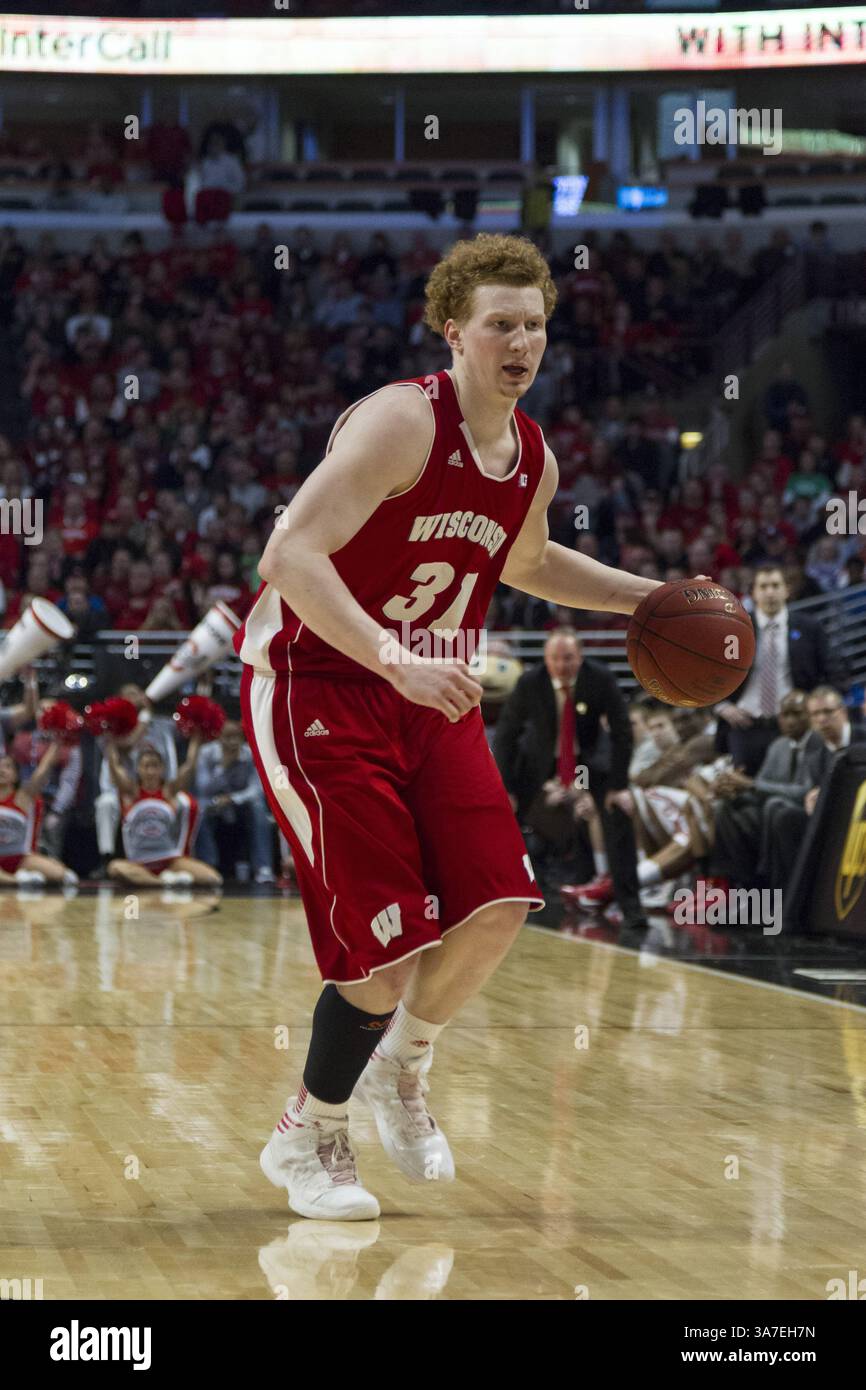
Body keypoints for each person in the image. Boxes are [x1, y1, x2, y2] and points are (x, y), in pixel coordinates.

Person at [235, 231, 710, 1222]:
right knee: (385, 950)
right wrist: (389, 652)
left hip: (426, 693)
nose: (520, 342)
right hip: (317, 681)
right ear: (452, 331)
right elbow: (289, 554)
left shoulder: (527, 454)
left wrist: (648, 599)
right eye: (499, 323)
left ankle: (400, 1066)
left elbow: (527, 563)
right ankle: (309, 1135)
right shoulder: (401, 422)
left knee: (498, 903)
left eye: (534, 325)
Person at [493, 627, 645, 926]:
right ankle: (514, 896)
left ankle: (631, 906)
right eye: (555, 658)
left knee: (615, 814)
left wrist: (618, 785)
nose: (562, 665)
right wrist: (507, 788)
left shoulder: (599, 678)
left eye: (568, 658)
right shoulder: (530, 682)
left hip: (586, 763)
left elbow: (622, 732)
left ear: (581, 656)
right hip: (539, 763)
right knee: (503, 814)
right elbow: (506, 735)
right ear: (545, 658)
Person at [714, 564, 848, 775]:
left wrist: (816, 705)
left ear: (787, 590)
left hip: (794, 723)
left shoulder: (809, 627)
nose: (770, 592)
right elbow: (710, 673)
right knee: (742, 789)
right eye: (764, 586)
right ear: (753, 593)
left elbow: (834, 670)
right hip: (745, 725)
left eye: (775, 585)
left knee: (789, 789)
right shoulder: (734, 629)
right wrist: (721, 705)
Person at [105, 736, 222, 888]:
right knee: (115, 868)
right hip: (139, 863)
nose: (150, 771)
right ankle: (164, 882)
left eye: (155, 766)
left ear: (162, 769)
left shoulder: (169, 791)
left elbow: (189, 766)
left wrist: (196, 738)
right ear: (138, 769)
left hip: (170, 861)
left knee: (213, 878)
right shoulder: (131, 792)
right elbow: (114, 768)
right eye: (146, 766)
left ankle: (159, 880)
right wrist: (110, 739)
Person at [194, 719, 275, 882]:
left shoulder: (250, 753)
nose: (232, 741)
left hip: (240, 804)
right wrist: (224, 765)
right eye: (227, 737)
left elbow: (257, 790)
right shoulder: (206, 752)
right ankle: (208, 868)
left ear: (242, 738)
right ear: (218, 737)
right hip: (213, 802)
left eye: (236, 736)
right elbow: (203, 788)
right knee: (199, 809)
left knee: (258, 807)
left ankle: (263, 868)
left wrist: (233, 798)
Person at [0, 745, 79, 887]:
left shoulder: (22, 797)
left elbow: (43, 770)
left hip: (21, 859)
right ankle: (18, 880)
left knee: (60, 874)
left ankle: (15, 878)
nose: (1, 770)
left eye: (7, 766)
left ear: (16, 775)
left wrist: (57, 740)